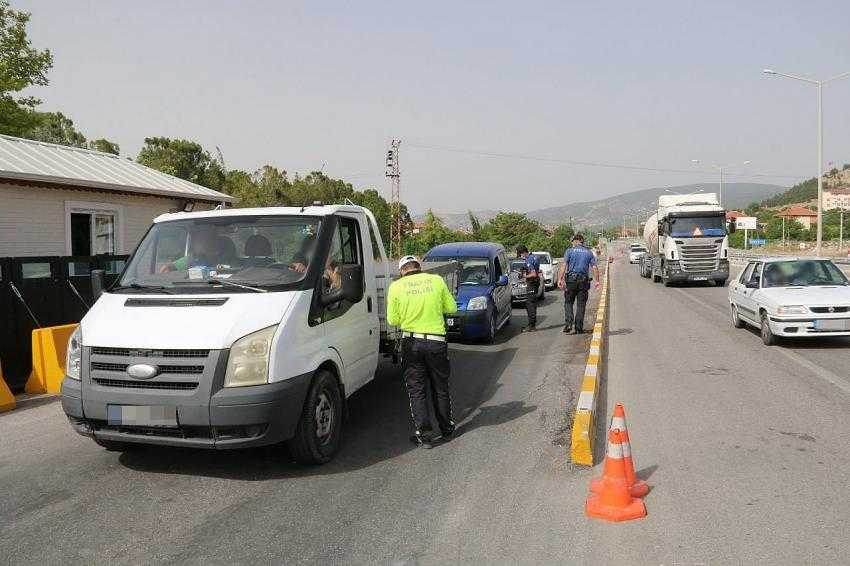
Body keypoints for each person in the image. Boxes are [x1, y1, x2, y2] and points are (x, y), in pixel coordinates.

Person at [387, 255, 458, 449]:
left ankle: (424, 435)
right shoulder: (436, 280)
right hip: (436, 341)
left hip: (411, 342)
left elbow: (393, 320)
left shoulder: (396, 286)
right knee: (440, 386)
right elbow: (451, 307)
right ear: (420, 267)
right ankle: (446, 428)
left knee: (416, 389)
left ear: (402, 271)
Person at [557, 234, 600, 334]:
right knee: (581, 305)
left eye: (573, 241)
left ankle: (568, 324)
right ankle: (578, 328)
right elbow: (594, 268)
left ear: (576, 241)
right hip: (583, 282)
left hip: (571, 281)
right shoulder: (589, 253)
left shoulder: (569, 251)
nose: (572, 243)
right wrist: (597, 281)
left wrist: (560, 279)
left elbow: (564, 265)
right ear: (582, 241)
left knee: (568, 303)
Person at [516, 245, 540, 332]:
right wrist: (525, 268)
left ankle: (531, 326)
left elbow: (534, 274)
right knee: (532, 304)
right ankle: (531, 325)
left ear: (523, 252)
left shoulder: (529, 259)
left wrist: (524, 275)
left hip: (532, 283)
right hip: (535, 282)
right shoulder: (534, 256)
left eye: (521, 254)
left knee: (530, 304)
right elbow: (536, 270)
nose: (521, 256)